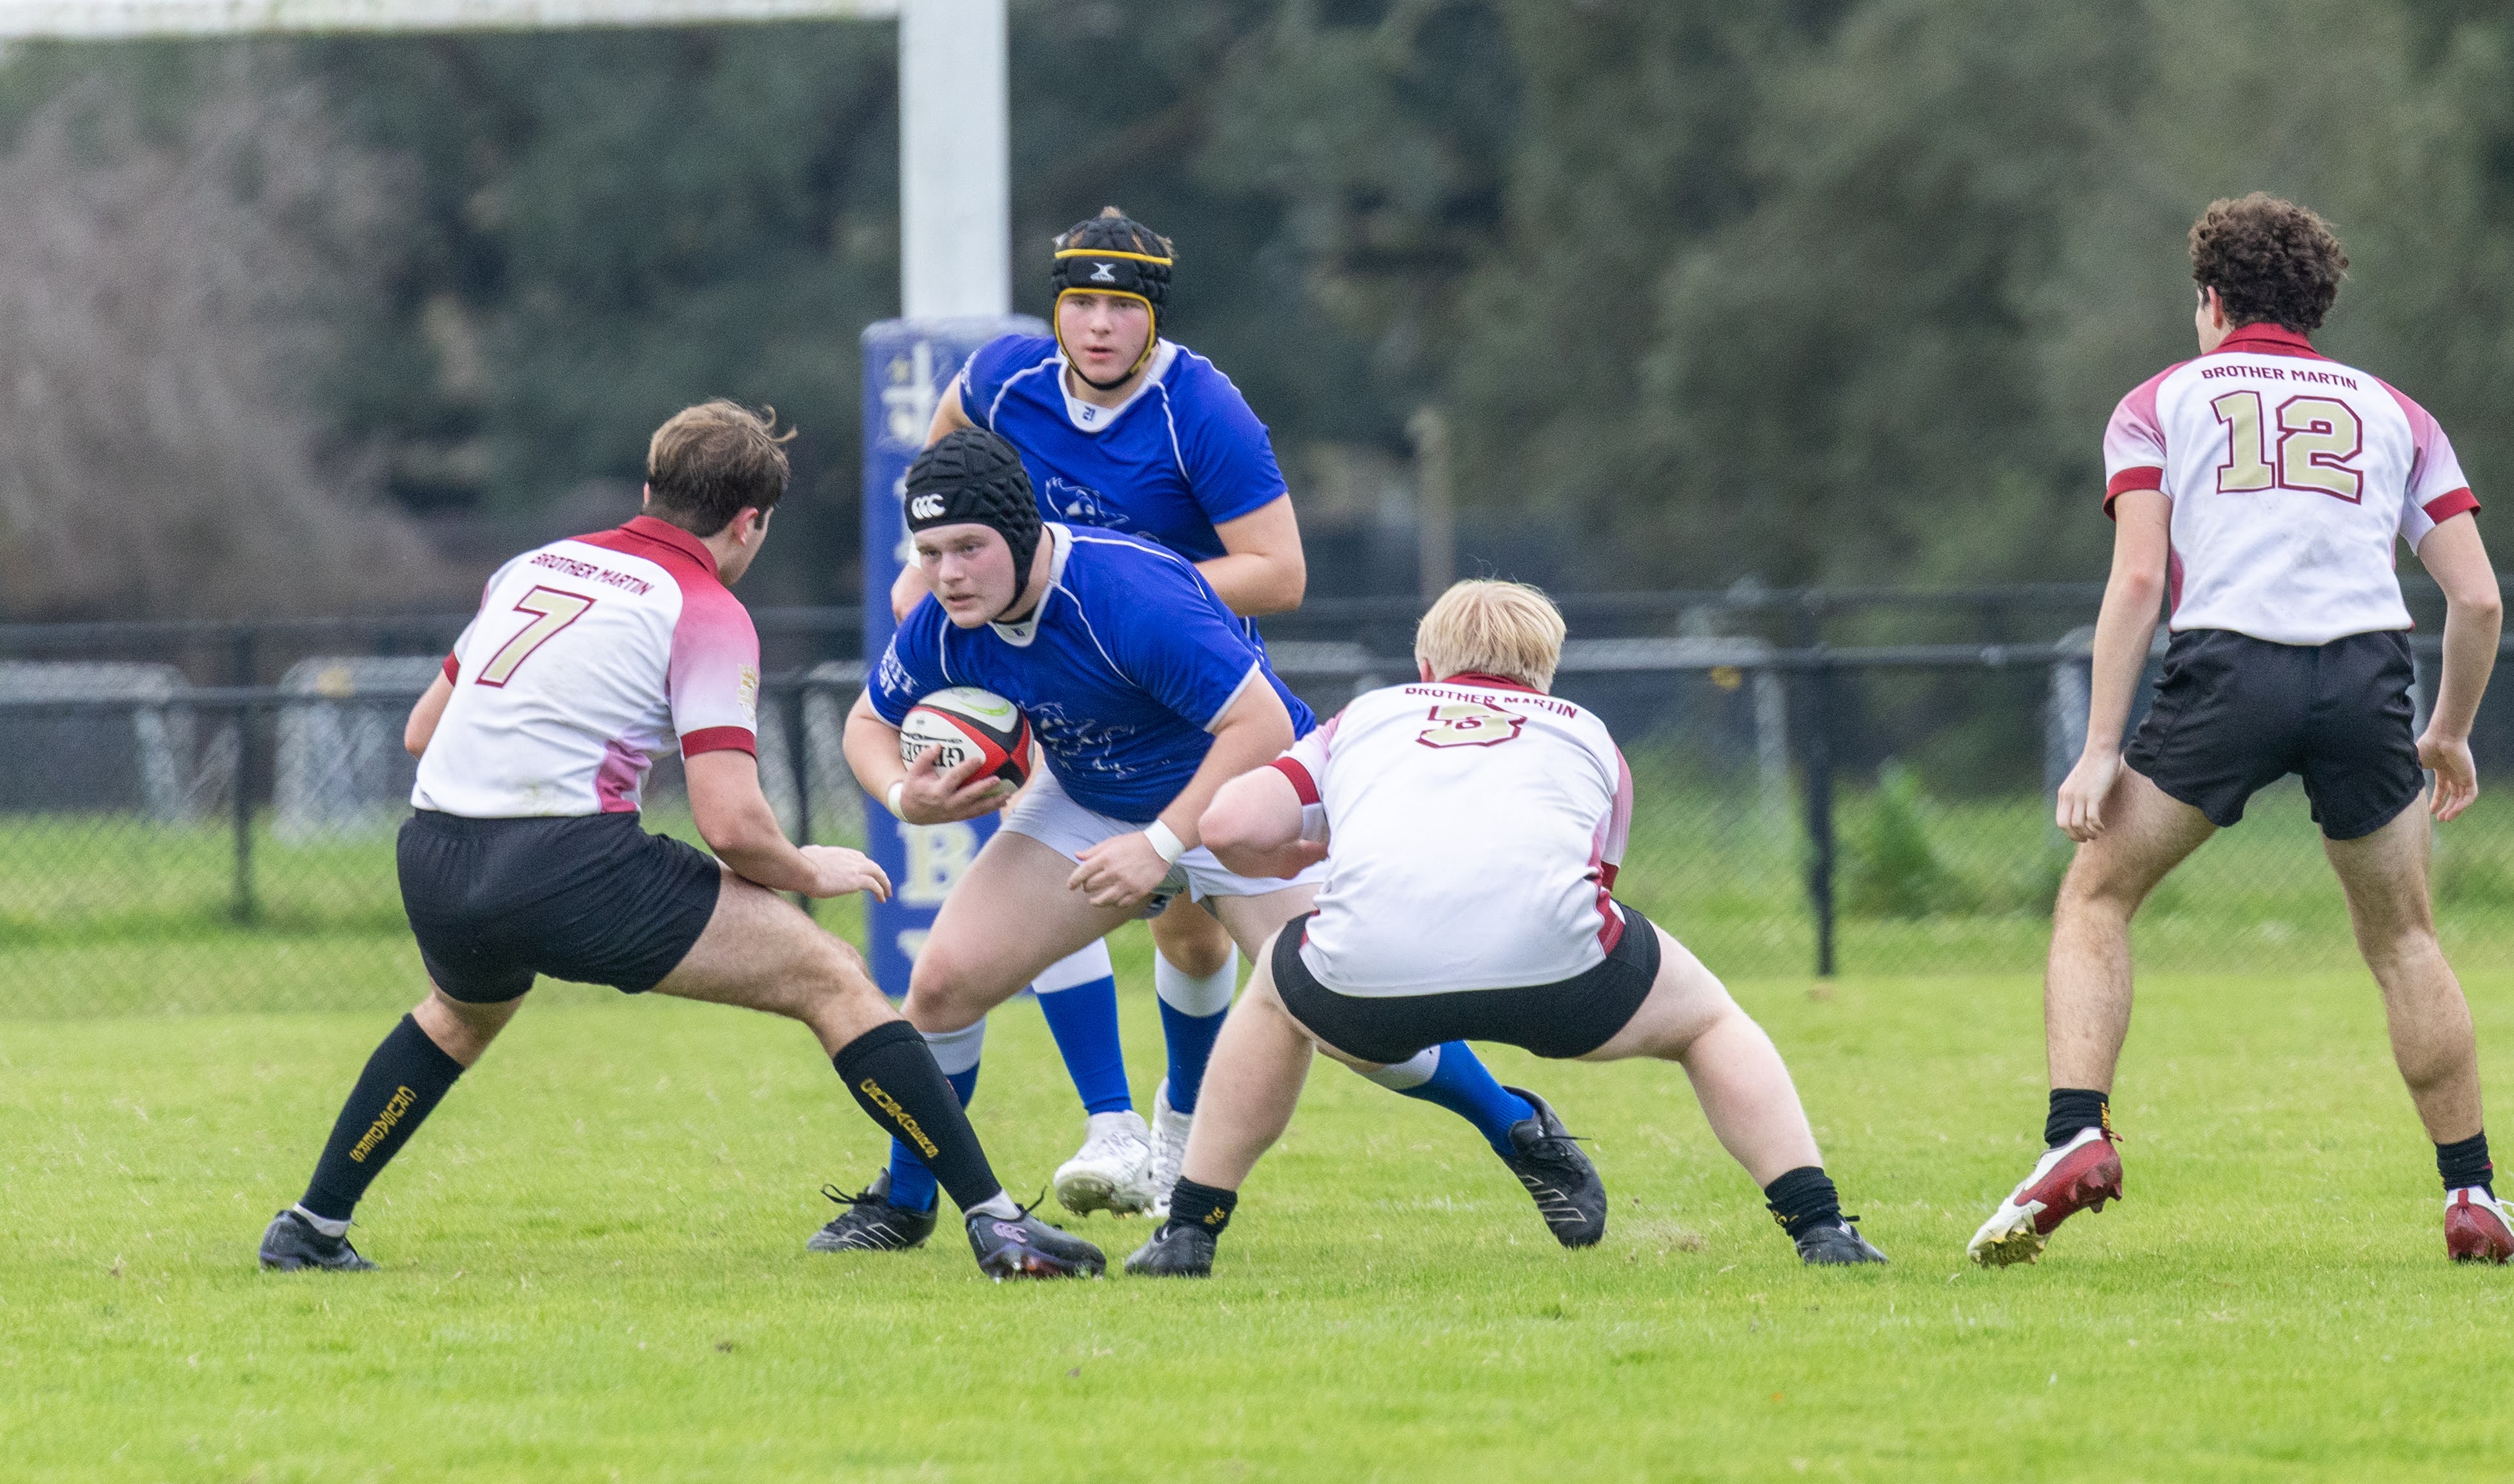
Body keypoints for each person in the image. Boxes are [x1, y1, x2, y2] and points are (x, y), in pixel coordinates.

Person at [256, 401, 1103, 1281]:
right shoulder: (705, 608)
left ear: (650, 488)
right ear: (751, 522)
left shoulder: (535, 566)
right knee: (833, 979)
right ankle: (996, 1224)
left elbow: (423, 732)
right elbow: (731, 822)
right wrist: (805, 868)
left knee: (461, 1016)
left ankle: (311, 1223)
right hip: (566, 863)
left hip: (433, 855)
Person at [814, 207, 1523, 1245]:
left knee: (1322, 996)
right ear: (1056, 309)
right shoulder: (1004, 379)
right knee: (954, 974)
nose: (1099, 326)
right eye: (1081, 302)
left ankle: (1513, 1128)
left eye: (1122, 306)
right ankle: (948, 1186)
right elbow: (944, 470)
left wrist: (1116, 598)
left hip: (1210, 726)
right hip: (1084, 714)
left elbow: (1280, 574)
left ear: (1155, 320)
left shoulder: (1203, 410)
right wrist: (943, 568)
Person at [1967, 195, 2514, 1268]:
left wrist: (2097, 746)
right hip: (2366, 673)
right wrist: (2446, 730)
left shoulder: (2156, 402)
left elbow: (2137, 578)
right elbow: (2477, 599)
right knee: (2404, 939)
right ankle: (2472, 1193)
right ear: (2311, 307)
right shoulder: (2396, 412)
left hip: (2227, 666)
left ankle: (2075, 1133)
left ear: (2212, 300)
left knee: (2096, 891)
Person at [1120, 580, 1884, 1278]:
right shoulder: (1588, 734)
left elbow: (1225, 823)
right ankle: (1819, 1227)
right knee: (1711, 1022)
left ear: (1426, 661)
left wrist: (1312, 847)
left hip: (1368, 983)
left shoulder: (1370, 716)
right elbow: (1591, 878)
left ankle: (1189, 1231)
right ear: (1545, 669)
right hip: (1557, 975)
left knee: (1273, 997)